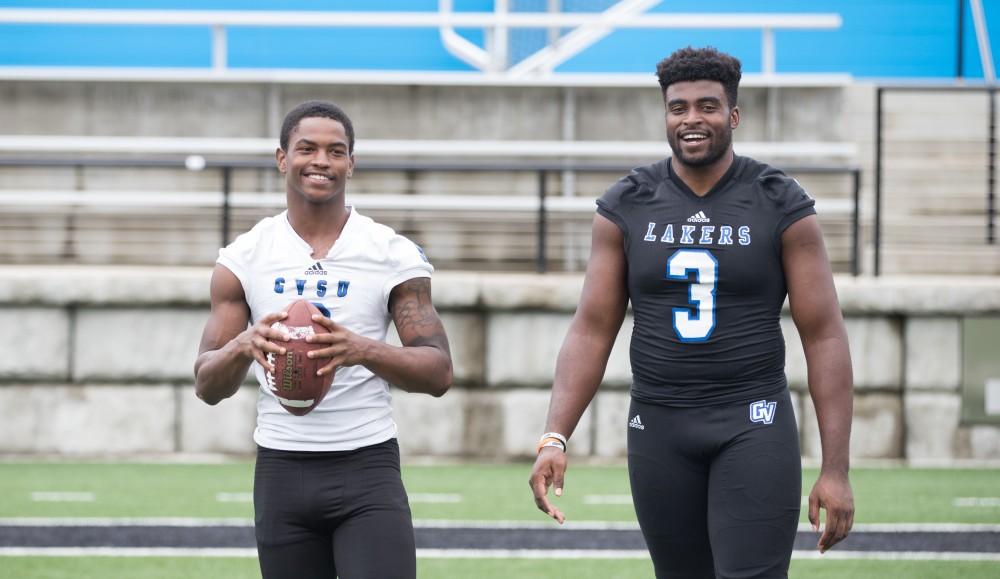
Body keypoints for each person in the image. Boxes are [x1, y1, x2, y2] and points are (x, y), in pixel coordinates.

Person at [529, 47, 854, 578]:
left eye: (707, 106)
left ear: (734, 115)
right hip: (658, 424)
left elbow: (824, 336)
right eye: (678, 108)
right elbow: (592, 328)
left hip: (752, 421)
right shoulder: (627, 202)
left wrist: (836, 469)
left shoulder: (779, 202)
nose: (692, 119)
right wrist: (555, 436)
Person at [194, 100, 453, 579]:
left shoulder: (389, 252)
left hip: (367, 467)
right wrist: (243, 345)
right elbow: (207, 386)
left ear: (351, 163)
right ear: (281, 158)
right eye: (306, 149)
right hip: (280, 470)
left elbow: (438, 372)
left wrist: (362, 349)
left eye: (336, 151)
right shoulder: (246, 256)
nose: (321, 161)